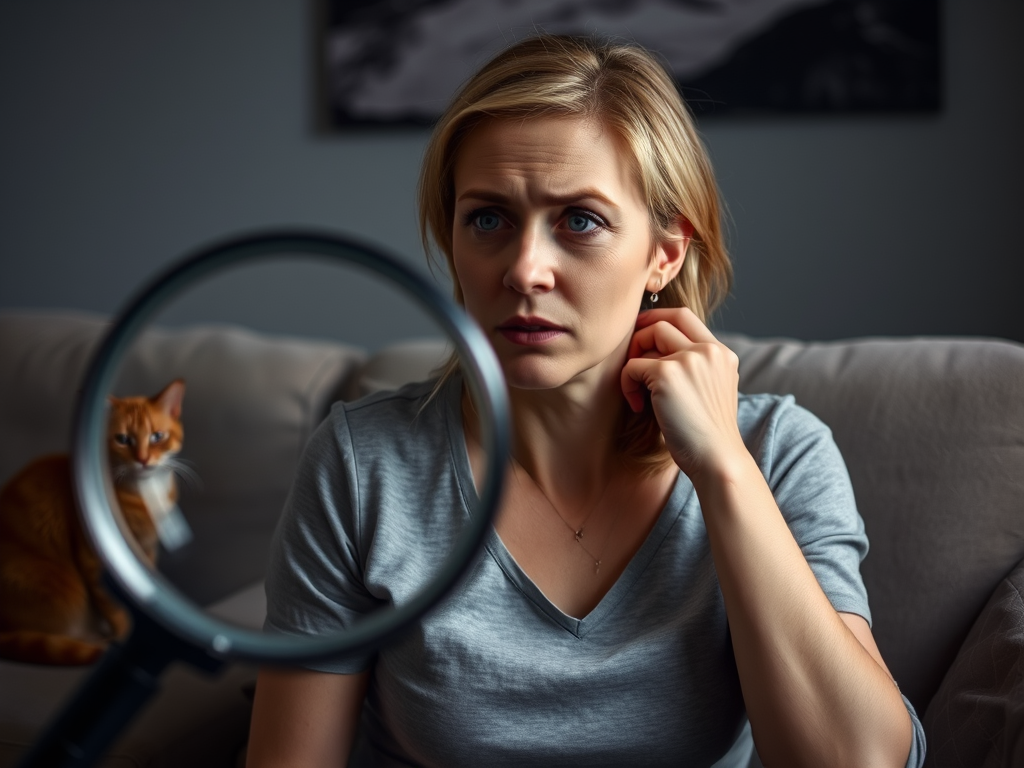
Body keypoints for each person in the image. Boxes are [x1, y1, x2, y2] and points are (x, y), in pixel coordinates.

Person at [247, 35, 926, 767]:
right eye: (488, 219)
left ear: (664, 254)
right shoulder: (364, 465)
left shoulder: (780, 453)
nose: (525, 269)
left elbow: (861, 760)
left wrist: (724, 470)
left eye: (580, 221)